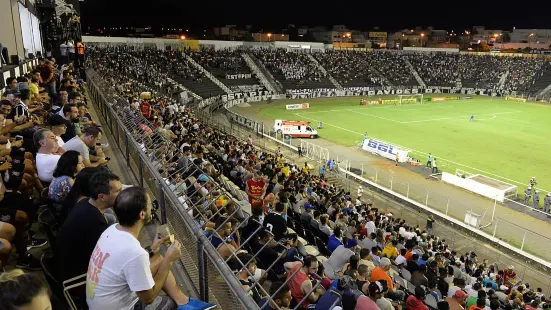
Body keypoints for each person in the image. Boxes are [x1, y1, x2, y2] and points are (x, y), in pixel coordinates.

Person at [86, 186, 216, 310]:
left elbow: (127, 261)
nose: (152, 207)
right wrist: (169, 261)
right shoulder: (134, 252)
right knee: (168, 303)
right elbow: (148, 298)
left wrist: (152, 248)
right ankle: (180, 304)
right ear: (142, 214)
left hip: (99, 301)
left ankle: (184, 302)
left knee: (158, 258)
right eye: (149, 205)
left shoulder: (112, 230)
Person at [56, 172, 122, 282]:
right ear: (102, 197)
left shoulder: (85, 202)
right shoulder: (94, 221)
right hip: (78, 279)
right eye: (118, 191)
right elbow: (109, 258)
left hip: (65, 267)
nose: (122, 193)